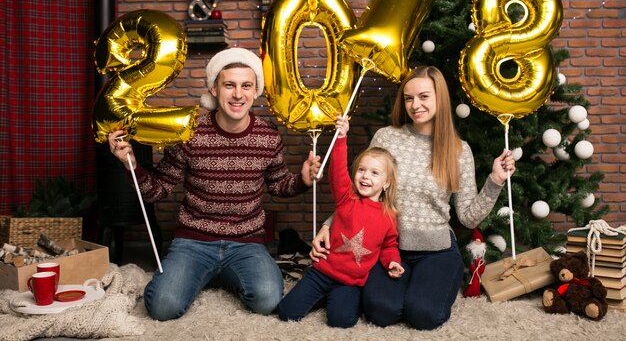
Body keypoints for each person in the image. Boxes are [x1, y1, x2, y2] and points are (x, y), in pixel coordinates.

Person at [108, 47, 320, 321]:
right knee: (163, 307)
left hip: (247, 242)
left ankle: (215, 274)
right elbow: (157, 190)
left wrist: (302, 180)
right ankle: (200, 273)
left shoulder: (268, 136)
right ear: (214, 89)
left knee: (268, 300)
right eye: (229, 85)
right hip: (193, 242)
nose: (237, 94)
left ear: (256, 92)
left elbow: (279, 185)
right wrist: (131, 165)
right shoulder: (190, 131)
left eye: (246, 86)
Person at [310, 65, 516, 330]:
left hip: (437, 251)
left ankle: (432, 286)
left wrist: (495, 181)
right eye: (409, 98)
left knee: (423, 316)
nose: (415, 105)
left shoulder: (457, 150)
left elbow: (467, 217)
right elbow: (363, 194)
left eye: (424, 96)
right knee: (381, 312)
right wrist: (328, 225)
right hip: (388, 249)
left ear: (440, 98)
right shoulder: (387, 138)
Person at [277, 114, 404, 328]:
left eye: (374, 173)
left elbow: (389, 245)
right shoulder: (347, 198)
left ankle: (331, 299)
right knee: (286, 313)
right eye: (362, 170)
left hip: (350, 283)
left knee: (342, 322)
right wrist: (341, 137)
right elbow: (337, 170)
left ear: (386, 183)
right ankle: (318, 295)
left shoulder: (388, 216)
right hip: (322, 272)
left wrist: (393, 262)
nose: (365, 177)